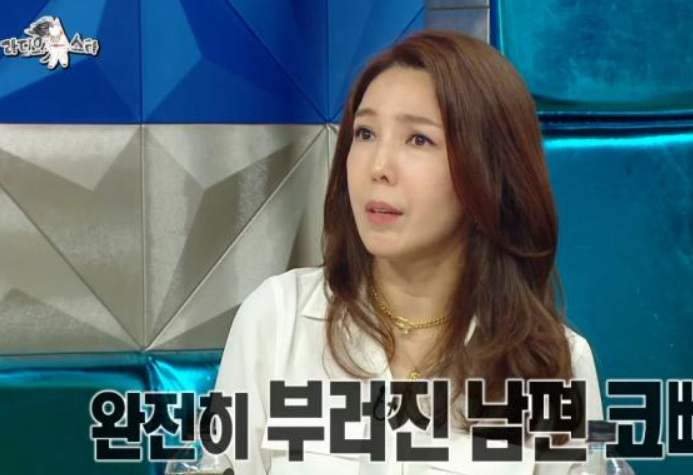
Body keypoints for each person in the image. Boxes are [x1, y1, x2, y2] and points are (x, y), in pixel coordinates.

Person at [214, 30, 603, 475]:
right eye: (365, 133)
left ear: (490, 172)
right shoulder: (276, 318)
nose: (378, 167)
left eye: (418, 139)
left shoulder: (558, 365)